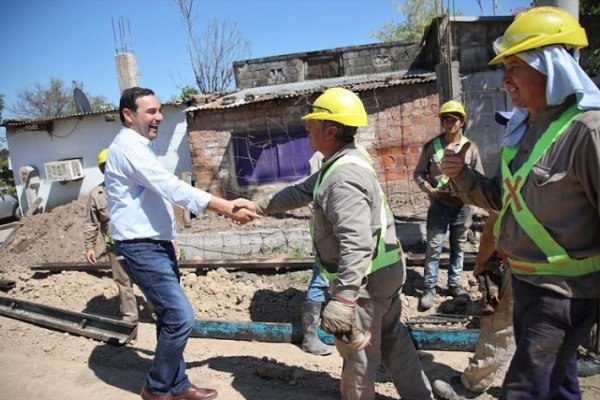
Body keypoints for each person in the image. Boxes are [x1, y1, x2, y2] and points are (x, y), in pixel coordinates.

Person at [440, 7, 600, 398]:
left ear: (553, 66)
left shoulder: (587, 132)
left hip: (564, 294)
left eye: (516, 65)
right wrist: (461, 173)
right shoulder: (522, 129)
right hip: (526, 283)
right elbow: (501, 199)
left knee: (524, 388)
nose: (506, 77)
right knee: (559, 384)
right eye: (504, 68)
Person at [240, 87, 433, 399]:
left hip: (365, 282)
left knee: (359, 358)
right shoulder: (345, 161)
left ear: (330, 129)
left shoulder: (341, 179)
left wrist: (344, 298)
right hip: (385, 271)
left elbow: (356, 242)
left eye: (313, 123)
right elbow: (303, 190)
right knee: (394, 340)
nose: (307, 128)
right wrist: (259, 207)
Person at [105, 87, 259, 400]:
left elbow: (151, 199)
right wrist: (226, 206)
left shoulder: (140, 146)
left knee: (168, 317)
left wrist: (168, 236)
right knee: (180, 316)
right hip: (140, 246)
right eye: (150, 111)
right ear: (128, 115)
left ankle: (177, 384)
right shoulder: (128, 147)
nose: (158, 117)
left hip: (155, 243)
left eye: (159, 110)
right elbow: (169, 186)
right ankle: (157, 386)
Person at [432, 111, 516, 400]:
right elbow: (495, 201)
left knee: (502, 326)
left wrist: (483, 261)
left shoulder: (525, 155)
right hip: (543, 264)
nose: (449, 124)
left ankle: (471, 386)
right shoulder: (522, 154)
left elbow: (495, 213)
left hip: (527, 264)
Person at [413, 100, 484, 311]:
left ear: (462, 122)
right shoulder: (431, 147)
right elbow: (418, 174)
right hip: (438, 204)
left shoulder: (471, 149)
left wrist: (472, 195)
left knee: (458, 246)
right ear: (441, 122)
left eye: (454, 119)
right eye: (446, 119)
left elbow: (479, 176)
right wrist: (430, 190)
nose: (450, 123)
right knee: (434, 247)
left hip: (462, 206)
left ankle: (454, 285)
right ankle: (429, 288)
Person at [84, 148, 139, 324]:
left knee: (147, 278)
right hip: (114, 245)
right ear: (101, 169)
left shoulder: (134, 187)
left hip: (139, 242)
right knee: (123, 281)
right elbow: (91, 222)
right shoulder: (96, 194)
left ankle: (158, 312)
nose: (109, 169)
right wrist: (89, 246)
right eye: (104, 166)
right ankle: (130, 317)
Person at [301, 150, 334, 356]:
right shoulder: (319, 159)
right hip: (329, 231)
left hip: (341, 230)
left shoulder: (354, 154)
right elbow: (313, 194)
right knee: (321, 278)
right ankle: (310, 337)